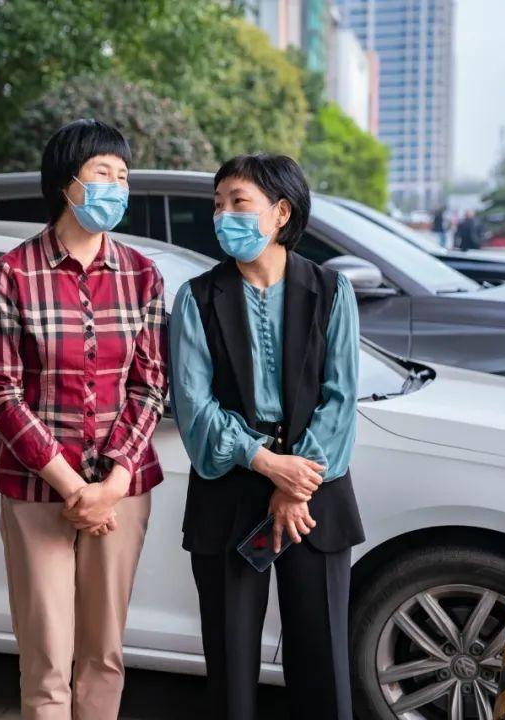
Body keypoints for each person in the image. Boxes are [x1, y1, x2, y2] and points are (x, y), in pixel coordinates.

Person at [0, 118, 168, 719]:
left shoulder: (142, 275)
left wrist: (111, 483)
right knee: (47, 662)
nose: (117, 186)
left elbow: (150, 385)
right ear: (67, 184)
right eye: (102, 173)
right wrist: (72, 487)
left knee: (104, 656)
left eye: (123, 176)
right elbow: (2, 392)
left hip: (121, 490)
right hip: (37, 490)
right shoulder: (11, 274)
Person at [170, 154, 366, 720]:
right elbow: (194, 408)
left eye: (239, 202)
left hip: (313, 495)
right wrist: (266, 463)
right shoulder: (197, 298)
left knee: (323, 662)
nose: (223, 215)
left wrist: (294, 482)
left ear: (281, 212)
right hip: (230, 490)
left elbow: (341, 399)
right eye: (218, 205)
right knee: (230, 667)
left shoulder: (331, 290)